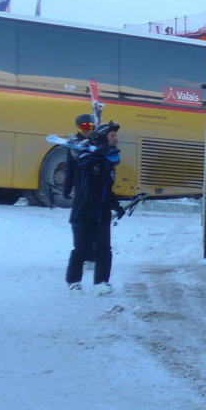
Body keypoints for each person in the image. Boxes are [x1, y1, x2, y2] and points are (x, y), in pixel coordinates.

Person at [66, 121, 123, 294]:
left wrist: (116, 206)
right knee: (81, 249)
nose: (116, 139)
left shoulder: (108, 162)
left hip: (101, 213)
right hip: (83, 212)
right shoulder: (85, 154)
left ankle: (101, 282)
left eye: (115, 136)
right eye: (112, 136)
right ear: (103, 137)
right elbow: (81, 162)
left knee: (104, 248)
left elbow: (107, 189)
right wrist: (96, 154)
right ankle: (74, 282)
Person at [62, 113, 96, 201]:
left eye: (88, 127)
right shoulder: (74, 144)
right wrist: (67, 189)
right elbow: (70, 168)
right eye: (82, 128)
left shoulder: (97, 142)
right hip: (80, 184)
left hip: (95, 184)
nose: (86, 131)